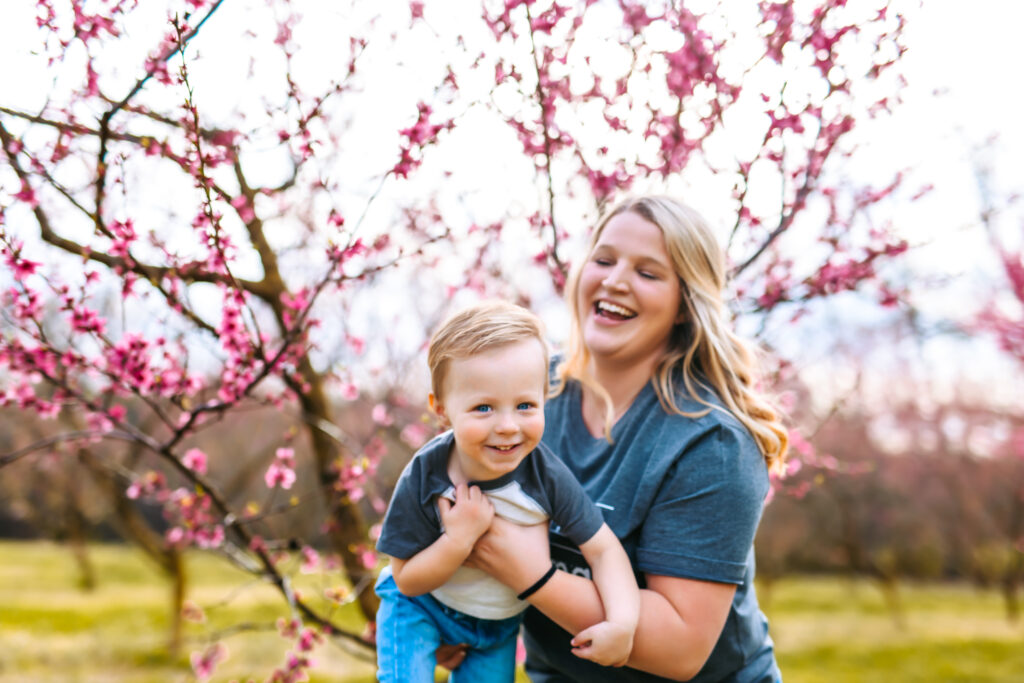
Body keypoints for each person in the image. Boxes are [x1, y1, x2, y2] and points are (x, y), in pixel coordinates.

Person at [462, 196, 790, 682]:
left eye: (649, 273)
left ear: (684, 305)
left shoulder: (710, 442)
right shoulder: (527, 397)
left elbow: (681, 647)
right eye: (604, 259)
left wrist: (529, 573)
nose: (615, 281)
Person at [374, 301, 640, 682]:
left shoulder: (546, 477)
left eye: (525, 405)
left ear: (544, 398)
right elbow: (406, 580)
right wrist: (458, 540)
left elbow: (602, 549)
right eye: (483, 408)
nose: (508, 426)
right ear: (442, 409)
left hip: (495, 627)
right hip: (419, 609)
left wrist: (623, 624)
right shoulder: (428, 472)